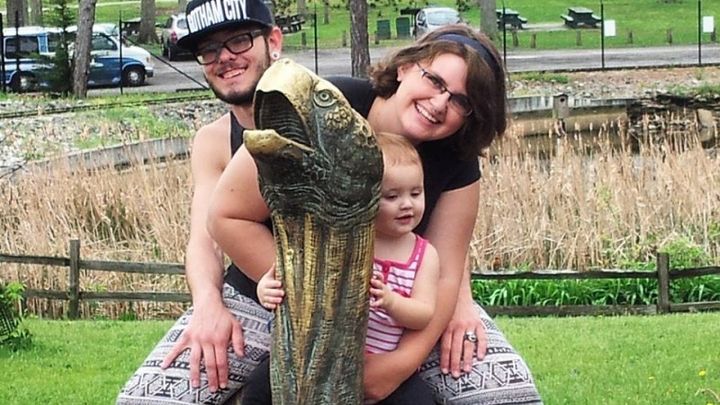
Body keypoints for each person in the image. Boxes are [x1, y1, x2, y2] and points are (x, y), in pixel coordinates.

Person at [207, 24, 542, 404]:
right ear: (405, 67)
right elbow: (225, 217)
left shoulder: (456, 155)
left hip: (399, 306)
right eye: (434, 81)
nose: (439, 103)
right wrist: (312, 293)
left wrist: (399, 365)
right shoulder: (327, 108)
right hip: (270, 290)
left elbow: (447, 272)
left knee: (512, 396)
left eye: (461, 101)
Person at [115, 0, 283, 403]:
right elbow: (203, 240)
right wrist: (208, 303)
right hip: (250, 298)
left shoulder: (332, 107)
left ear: (273, 41)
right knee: (144, 400)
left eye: (239, 41)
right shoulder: (213, 140)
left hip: (350, 296)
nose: (224, 57)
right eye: (209, 50)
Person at [242, 132, 440, 405]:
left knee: (419, 400)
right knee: (260, 384)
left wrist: (391, 301)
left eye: (416, 193)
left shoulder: (424, 256)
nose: (407, 204)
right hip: (320, 354)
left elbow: (424, 314)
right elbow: (288, 276)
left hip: (381, 361)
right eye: (392, 196)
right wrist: (266, 288)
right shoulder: (340, 240)